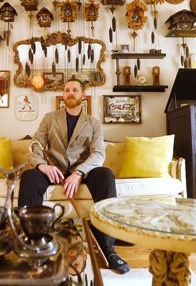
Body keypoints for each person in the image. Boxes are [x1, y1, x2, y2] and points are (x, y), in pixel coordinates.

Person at [18, 78, 131, 274]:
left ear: (83, 95)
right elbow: (35, 144)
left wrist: (79, 173)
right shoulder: (49, 118)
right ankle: (33, 246)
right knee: (29, 177)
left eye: (75, 90)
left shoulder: (93, 123)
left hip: (83, 170)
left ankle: (108, 249)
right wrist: (43, 166)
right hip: (54, 169)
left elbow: (98, 153)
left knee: (105, 175)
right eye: (67, 90)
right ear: (63, 95)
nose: (70, 93)